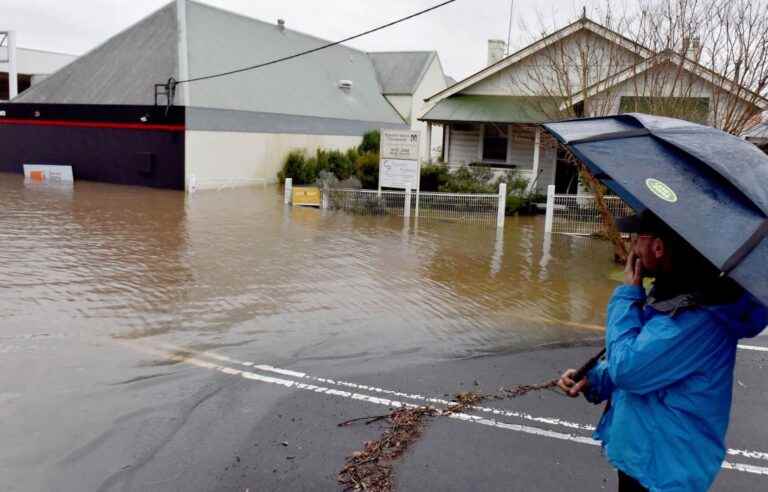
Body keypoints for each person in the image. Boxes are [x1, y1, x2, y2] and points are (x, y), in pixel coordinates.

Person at [558, 211, 768, 492]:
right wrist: (595, 379)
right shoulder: (676, 293)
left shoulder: (696, 316)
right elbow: (651, 361)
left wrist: (627, 294)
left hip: (663, 472)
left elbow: (630, 369)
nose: (632, 247)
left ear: (657, 247)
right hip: (646, 458)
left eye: (636, 239)